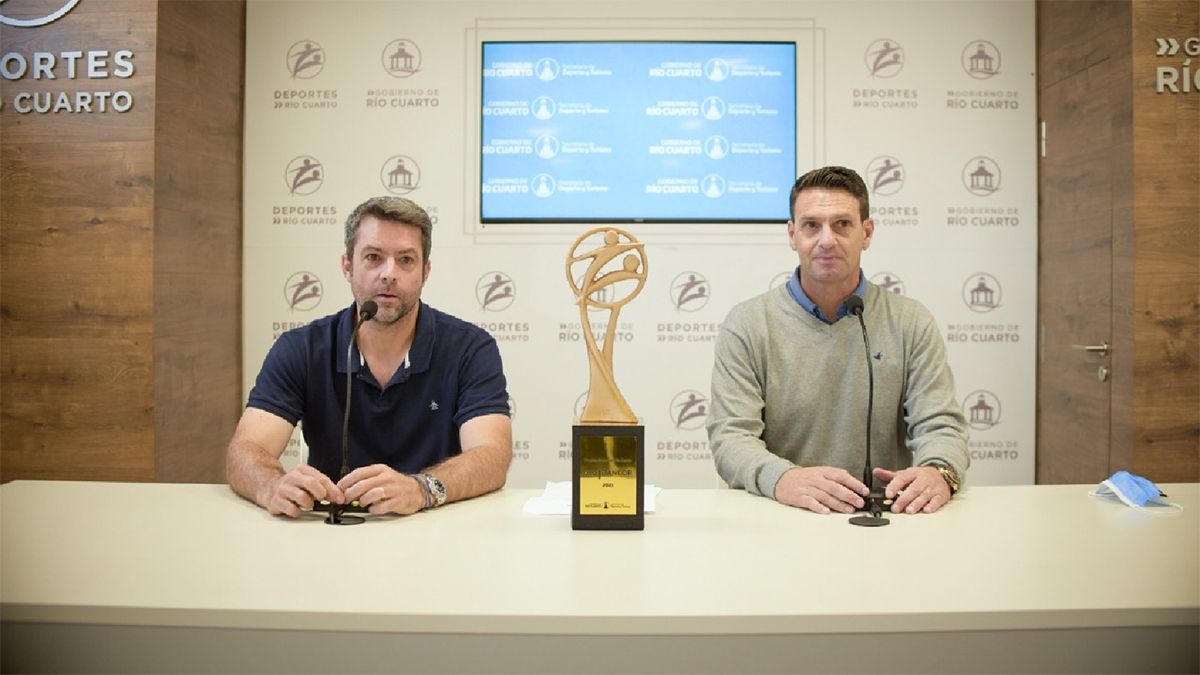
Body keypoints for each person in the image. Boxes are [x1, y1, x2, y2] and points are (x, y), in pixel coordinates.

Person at [226, 196, 512, 517]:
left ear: (425, 271)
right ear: (347, 266)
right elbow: (246, 449)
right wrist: (271, 486)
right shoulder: (301, 348)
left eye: (406, 260)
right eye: (374, 257)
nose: (389, 274)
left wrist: (421, 489)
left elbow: (492, 455)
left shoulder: (470, 348)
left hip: (435, 525)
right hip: (330, 528)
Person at [707, 166, 968, 516]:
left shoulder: (910, 321)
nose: (826, 240)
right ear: (792, 234)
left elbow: (941, 426)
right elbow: (731, 437)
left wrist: (939, 471)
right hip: (781, 515)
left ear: (867, 233)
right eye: (811, 225)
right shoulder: (747, 324)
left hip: (886, 521)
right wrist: (783, 479)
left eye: (842, 224)